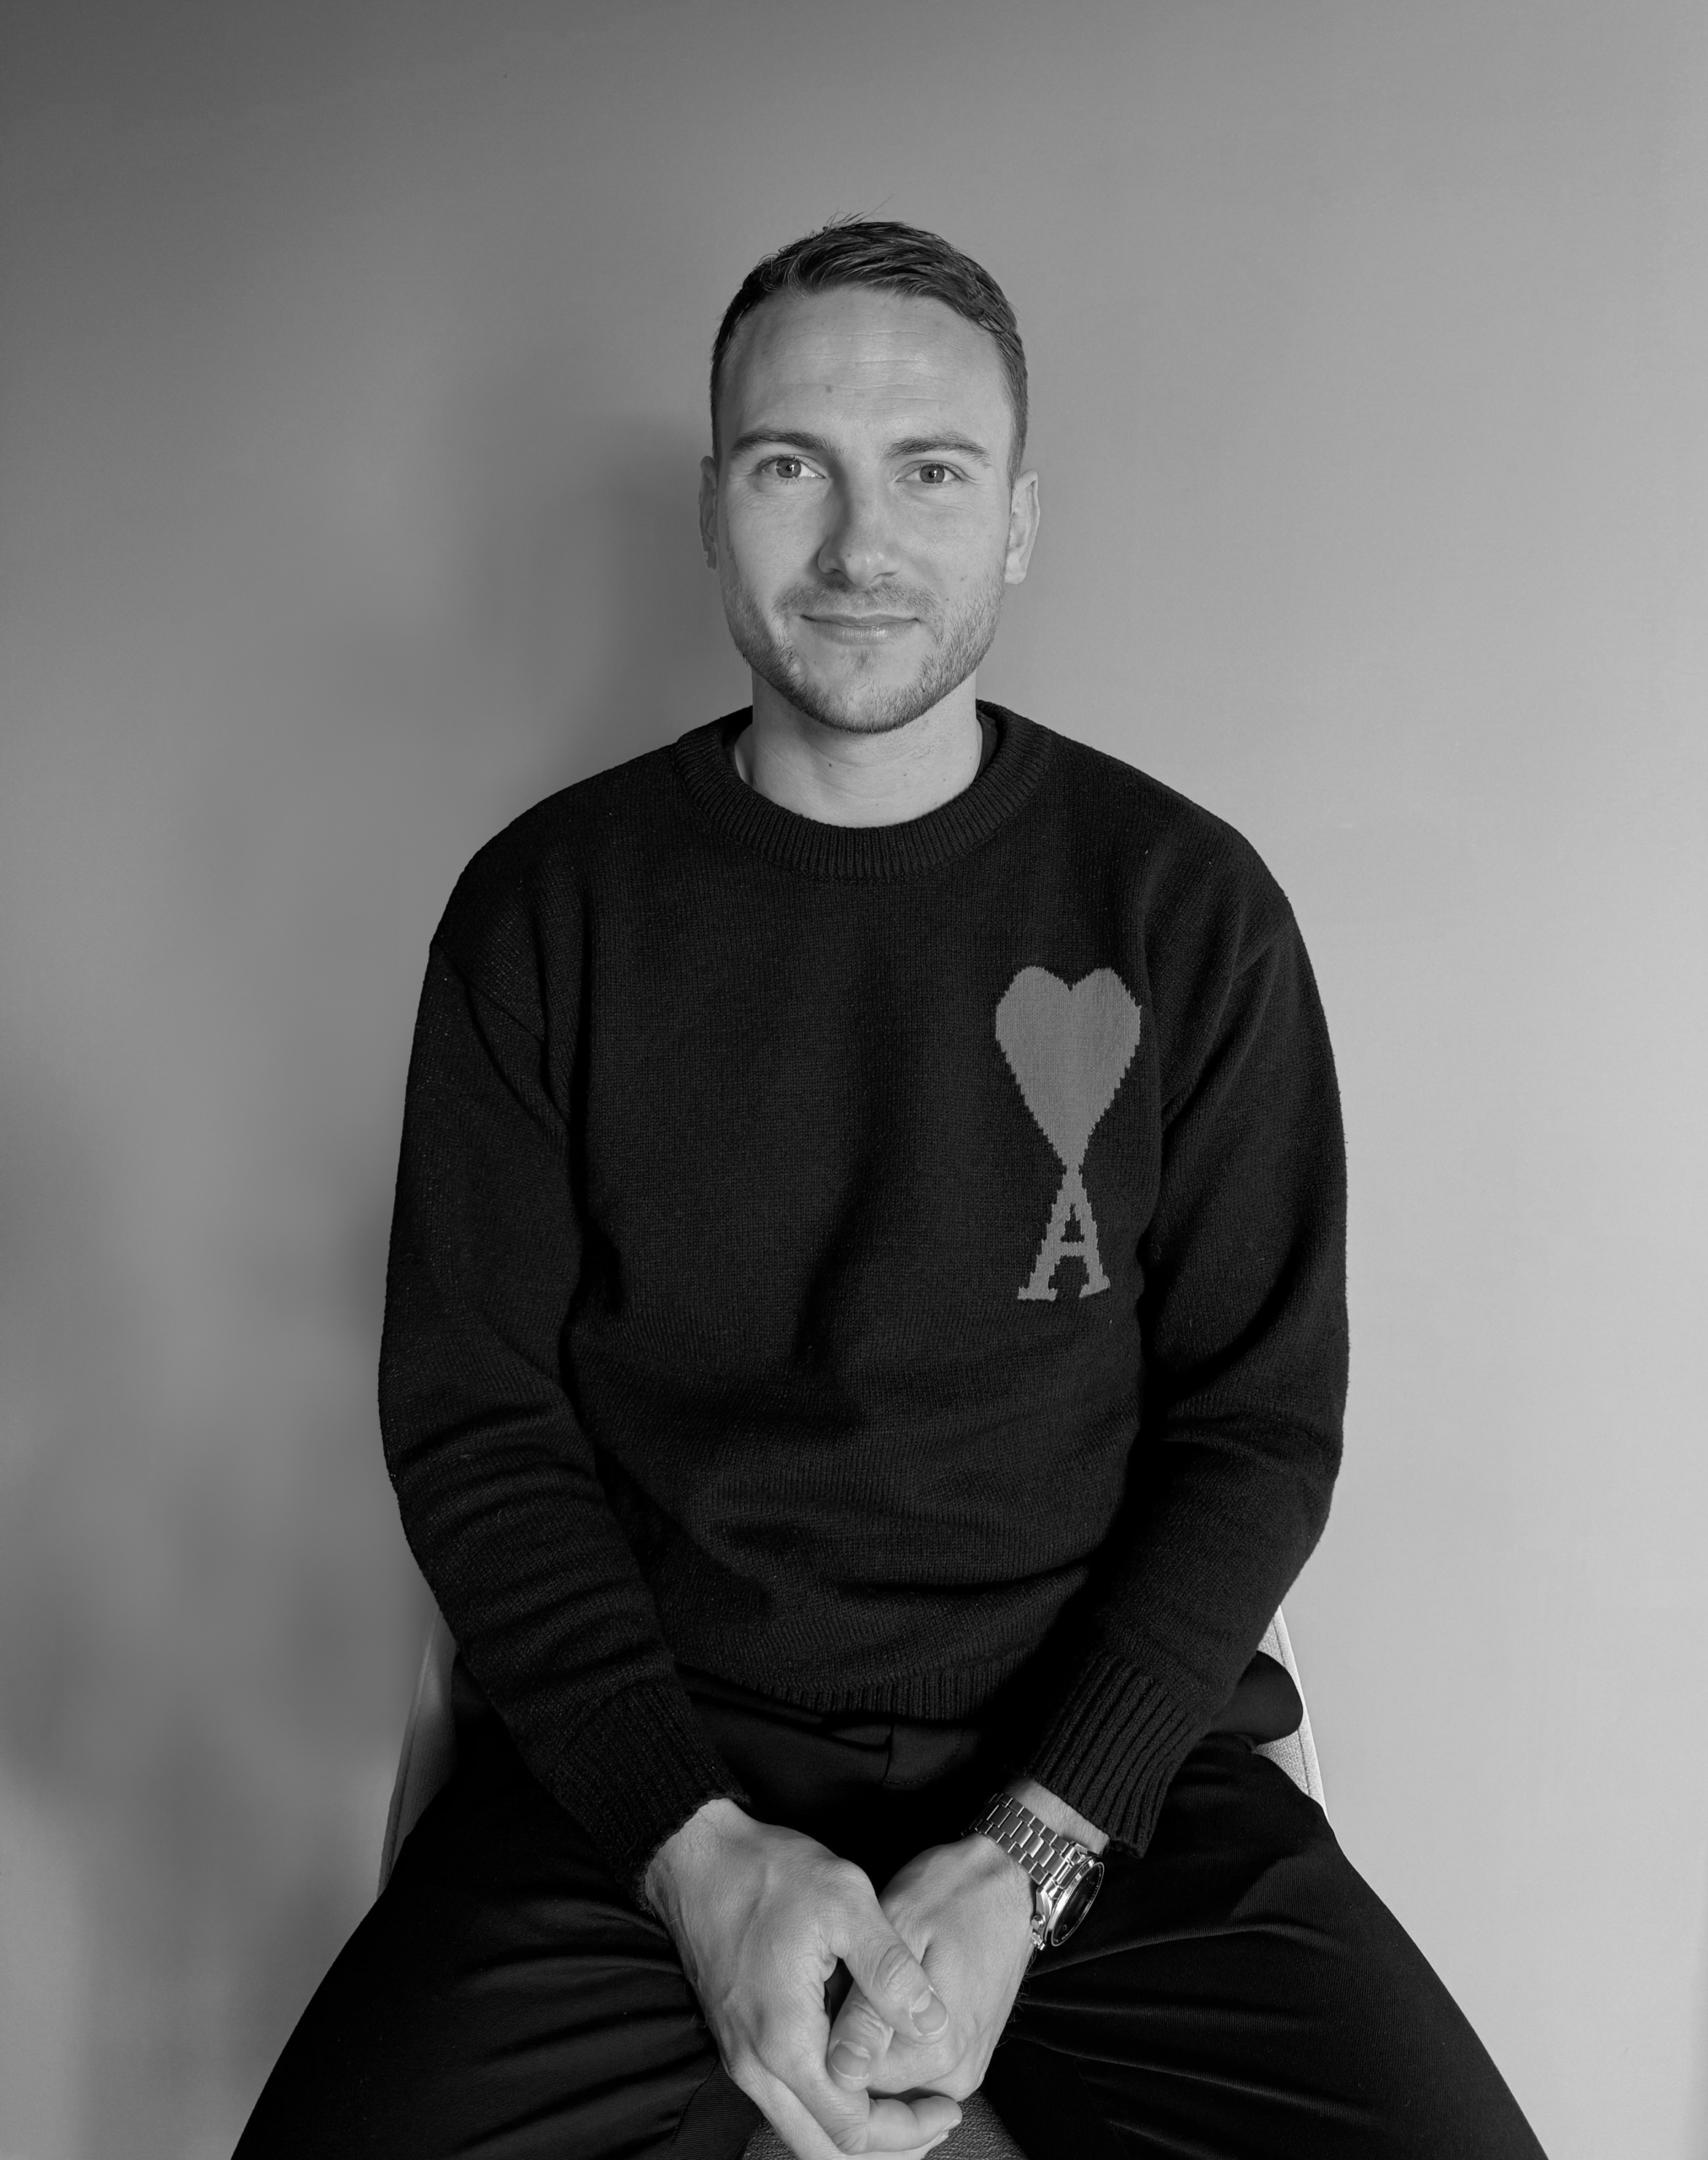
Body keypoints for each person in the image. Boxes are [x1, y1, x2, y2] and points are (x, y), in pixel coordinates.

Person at [236, 219, 1547, 2160]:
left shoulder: (1187, 907)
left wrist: (1035, 1849)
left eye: (932, 470)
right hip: (648, 1781)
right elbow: (477, 1426)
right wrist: (693, 1849)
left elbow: (1258, 1427)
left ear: (1017, 522)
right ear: (712, 507)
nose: (861, 542)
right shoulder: (546, 913)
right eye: (794, 465)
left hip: (1098, 1780)